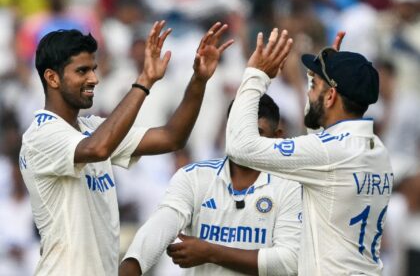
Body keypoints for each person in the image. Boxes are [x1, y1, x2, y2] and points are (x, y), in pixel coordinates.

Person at [18, 21, 234, 275]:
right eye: (82, 71)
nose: (94, 79)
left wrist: (198, 80)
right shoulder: (41, 135)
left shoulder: (92, 128)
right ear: (52, 78)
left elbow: (170, 138)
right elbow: (98, 148)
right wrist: (144, 81)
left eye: (94, 69)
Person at [226, 28, 393, 275]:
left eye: (313, 84)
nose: (307, 90)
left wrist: (256, 74)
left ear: (331, 96)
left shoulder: (331, 152)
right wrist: (326, 77)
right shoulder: (376, 149)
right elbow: (319, 138)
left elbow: (239, 147)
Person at [119, 94, 302, 276]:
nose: (246, 141)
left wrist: (211, 253)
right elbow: (161, 225)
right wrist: (132, 266)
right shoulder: (195, 176)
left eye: (257, 132)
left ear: (277, 137)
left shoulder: (291, 186)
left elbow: (289, 261)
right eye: (238, 130)